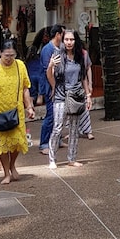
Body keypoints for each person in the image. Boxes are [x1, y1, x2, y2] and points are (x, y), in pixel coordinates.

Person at [0, 41, 35, 185]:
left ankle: (12, 165)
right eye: (6, 55)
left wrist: (29, 107)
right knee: (2, 144)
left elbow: (25, 88)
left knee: (17, 142)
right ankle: (6, 172)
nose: (9, 58)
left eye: (12, 55)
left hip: (16, 110)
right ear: (0, 54)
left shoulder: (20, 66)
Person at [46, 29, 92, 169]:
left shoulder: (80, 57)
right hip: (61, 96)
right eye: (66, 39)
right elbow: (50, 76)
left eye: (71, 39)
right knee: (58, 128)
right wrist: (50, 65)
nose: (69, 42)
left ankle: (72, 158)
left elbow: (83, 77)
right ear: (62, 40)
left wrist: (88, 95)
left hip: (76, 96)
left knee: (74, 129)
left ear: (75, 41)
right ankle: (52, 159)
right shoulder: (58, 56)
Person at [39, 24, 64, 154]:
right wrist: (53, 86)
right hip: (50, 86)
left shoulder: (60, 48)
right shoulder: (47, 50)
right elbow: (47, 70)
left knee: (59, 115)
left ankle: (57, 139)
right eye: (62, 34)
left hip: (59, 85)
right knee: (50, 115)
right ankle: (44, 143)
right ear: (58, 35)